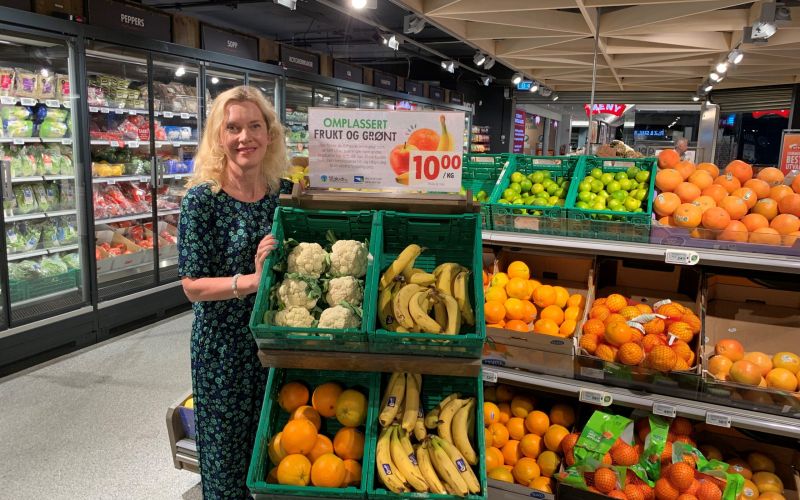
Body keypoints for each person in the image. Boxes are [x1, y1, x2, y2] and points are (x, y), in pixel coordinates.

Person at [178, 85, 291, 499]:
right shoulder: (201, 201)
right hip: (223, 350)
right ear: (219, 137)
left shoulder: (284, 194)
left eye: (255, 126)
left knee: (277, 453)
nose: (246, 138)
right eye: (234, 128)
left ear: (270, 134)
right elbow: (191, 285)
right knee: (225, 460)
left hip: (278, 343)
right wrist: (251, 282)